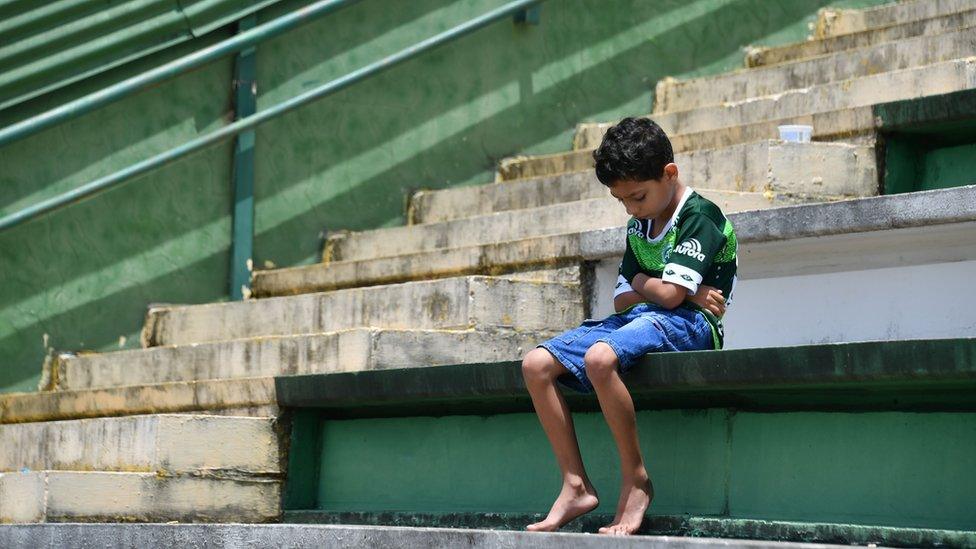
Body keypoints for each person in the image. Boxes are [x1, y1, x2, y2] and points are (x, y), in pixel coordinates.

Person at [521, 117, 737, 536]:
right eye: (622, 202)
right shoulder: (640, 221)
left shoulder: (700, 215)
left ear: (669, 173)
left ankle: (636, 479)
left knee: (601, 358)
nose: (631, 209)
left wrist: (666, 290)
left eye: (637, 196)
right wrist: (668, 287)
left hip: (692, 325)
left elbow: (672, 300)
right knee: (535, 365)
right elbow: (624, 297)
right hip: (641, 318)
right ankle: (575, 484)